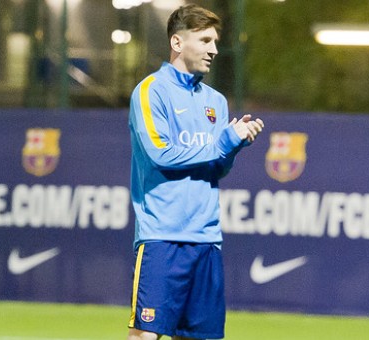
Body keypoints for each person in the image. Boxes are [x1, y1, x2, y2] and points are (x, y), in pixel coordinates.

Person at [126, 4, 264, 340]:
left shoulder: (216, 101)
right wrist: (222, 144)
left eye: (215, 41)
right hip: (163, 237)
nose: (214, 50)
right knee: (145, 335)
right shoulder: (150, 91)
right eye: (204, 40)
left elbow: (217, 167)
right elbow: (161, 153)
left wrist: (234, 146)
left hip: (206, 239)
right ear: (177, 43)